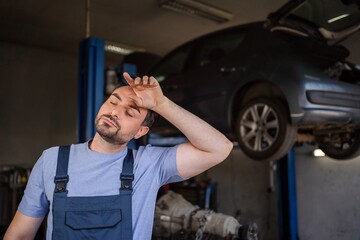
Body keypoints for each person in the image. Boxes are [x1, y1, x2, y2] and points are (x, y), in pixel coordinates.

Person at [4, 72, 233, 240]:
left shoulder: (148, 165)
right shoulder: (52, 161)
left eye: (129, 112)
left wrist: (161, 104)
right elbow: (20, 234)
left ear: (141, 131)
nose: (114, 111)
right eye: (112, 101)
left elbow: (220, 148)